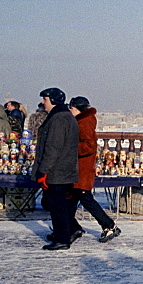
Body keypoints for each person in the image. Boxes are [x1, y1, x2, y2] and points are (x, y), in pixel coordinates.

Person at [68, 96, 121, 243]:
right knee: (70, 201)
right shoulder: (82, 122)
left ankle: (109, 225)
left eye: (71, 108)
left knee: (85, 199)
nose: (70, 111)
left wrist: (70, 149)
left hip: (82, 170)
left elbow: (89, 146)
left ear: (78, 109)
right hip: (78, 170)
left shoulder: (84, 124)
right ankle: (70, 227)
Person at [32, 87, 79, 251]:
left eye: (45, 99)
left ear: (52, 100)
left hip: (57, 170)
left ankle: (62, 238)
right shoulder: (65, 116)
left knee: (56, 205)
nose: (43, 103)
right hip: (64, 168)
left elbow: (53, 147)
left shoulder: (58, 119)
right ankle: (65, 232)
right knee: (59, 205)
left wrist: (43, 170)